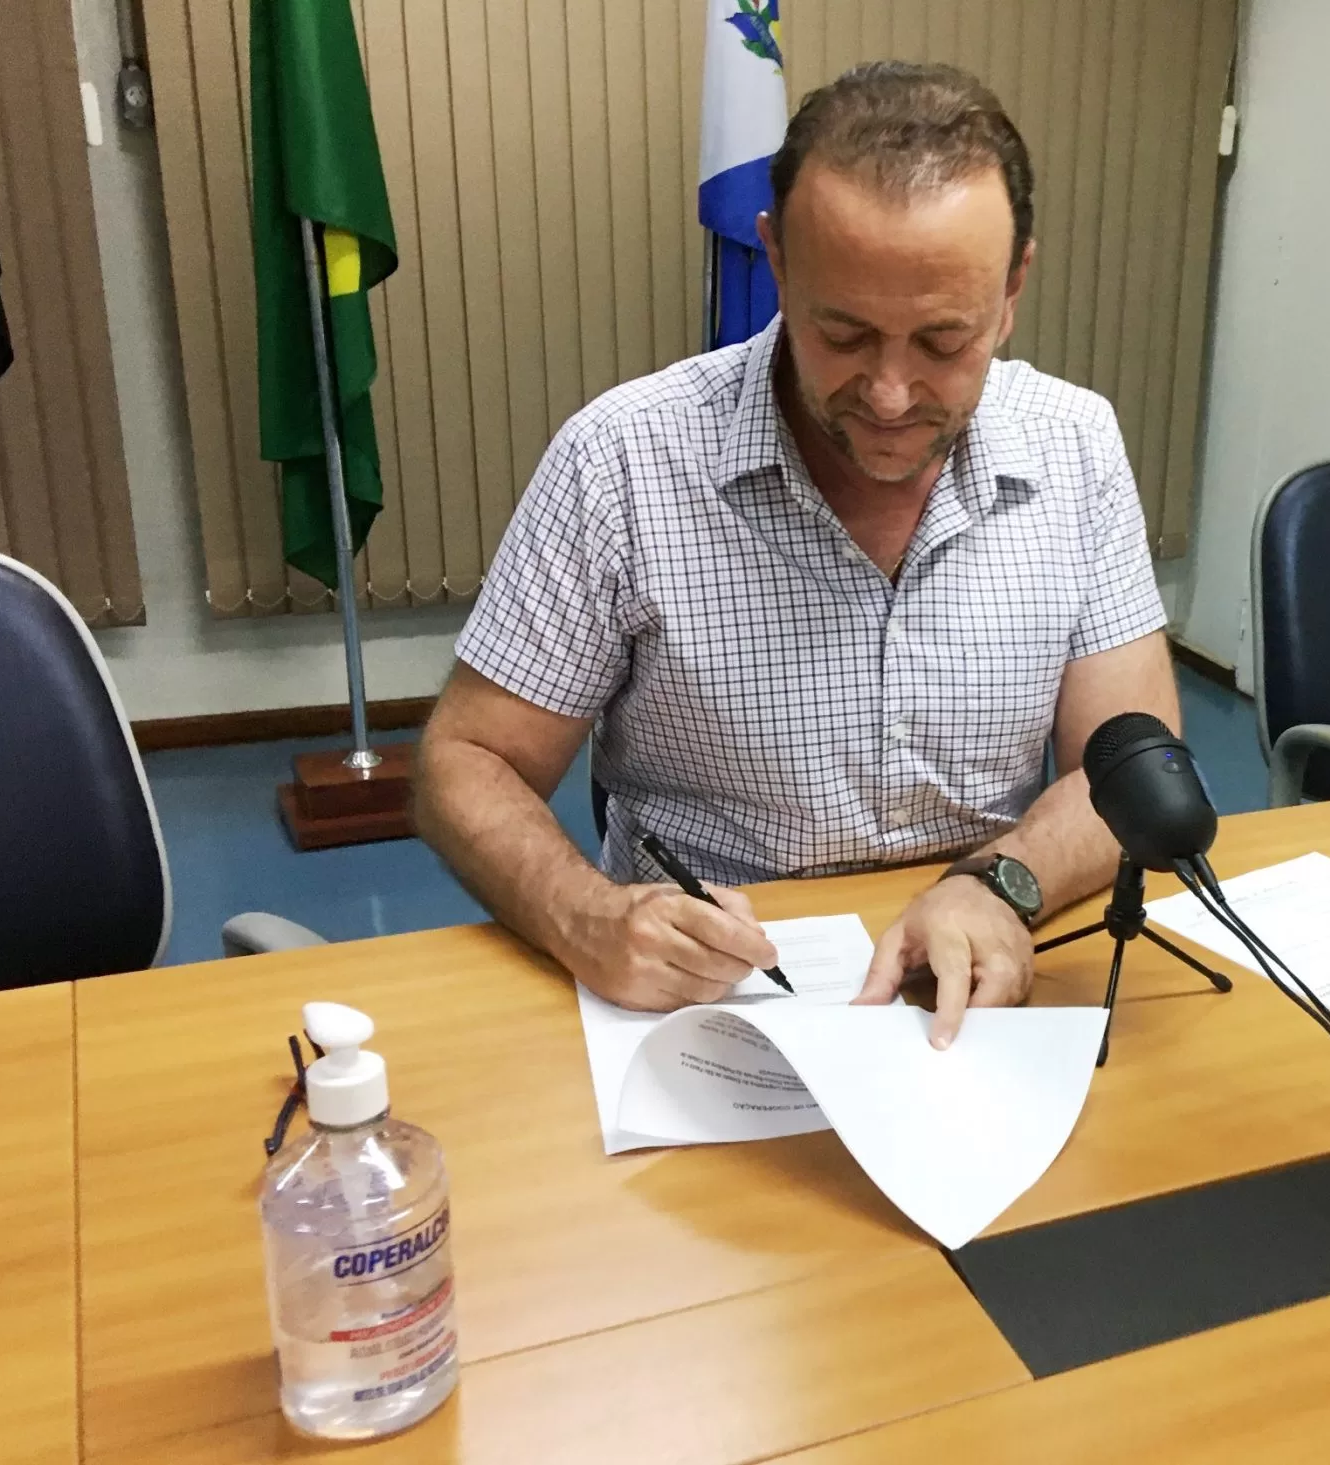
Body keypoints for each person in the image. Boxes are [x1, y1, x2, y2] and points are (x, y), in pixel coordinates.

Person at [414, 61, 1179, 1047]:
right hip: (707, 1001)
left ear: (1011, 290)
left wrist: (1001, 885)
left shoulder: (1075, 445)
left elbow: (1130, 764)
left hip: (972, 982)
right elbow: (465, 759)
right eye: (843, 333)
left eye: (943, 341)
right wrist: (585, 914)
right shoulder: (625, 460)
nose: (891, 395)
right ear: (775, 260)